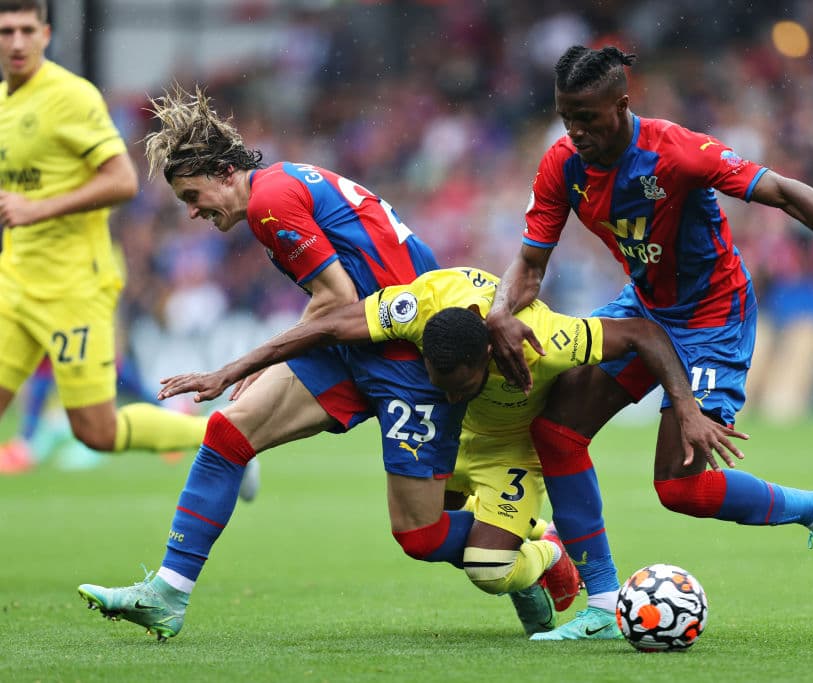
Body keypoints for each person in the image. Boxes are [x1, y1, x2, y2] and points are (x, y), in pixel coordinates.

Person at [75, 88, 584, 640]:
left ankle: (538, 552)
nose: (194, 211)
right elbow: (339, 300)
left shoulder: (271, 201)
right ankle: (168, 594)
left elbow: (338, 298)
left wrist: (245, 363)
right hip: (355, 345)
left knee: (420, 534)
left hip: (408, 358)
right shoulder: (283, 185)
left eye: (193, 195)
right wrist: (262, 365)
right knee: (227, 434)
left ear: (225, 173)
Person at [483, 45, 813, 637]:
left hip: (713, 320)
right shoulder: (562, 165)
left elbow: (786, 192)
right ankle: (603, 604)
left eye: (587, 117)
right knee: (556, 431)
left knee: (681, 485)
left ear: (621, 104)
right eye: (566, 116)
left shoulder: (677, 152)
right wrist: (498, 312)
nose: (575, 131)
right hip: (644, 308)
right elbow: (530, 265)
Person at [146, 266, 745, 639]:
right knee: (418, 534)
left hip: (511, 449)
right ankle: (537, 541)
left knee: (488, 571)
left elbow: (643, 334)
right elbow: (330, 326)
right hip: (457, 440)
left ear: (489, 355)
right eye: (439, 381)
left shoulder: (545, 339)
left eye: (458, 383)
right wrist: (231, 370)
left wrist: (685, 405)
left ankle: (545, 554)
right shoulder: (418, 308)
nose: (448, 391)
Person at [0, 2, 249, 490]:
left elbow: (121, 180)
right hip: (15, 280)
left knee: (95, 430)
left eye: (27, 30)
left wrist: (37, 208)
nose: (17, 41)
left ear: (46, 34)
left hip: (74, 285)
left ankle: (217, 438)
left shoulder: (70, 98)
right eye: (6, 31)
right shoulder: (4, 106)